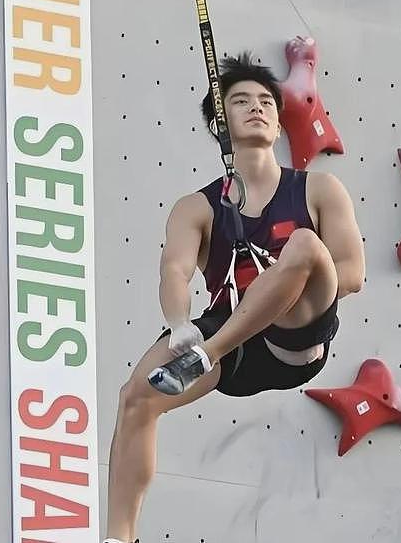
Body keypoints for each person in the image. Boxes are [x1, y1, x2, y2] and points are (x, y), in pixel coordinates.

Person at [103, 52, 366, 543]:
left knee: (306, 245)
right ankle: (120, 537)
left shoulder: (319, 190)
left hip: (297, 332)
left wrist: (283, 276)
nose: (258, 108)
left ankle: (209, 352)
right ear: (219, 123)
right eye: (241, 101)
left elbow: (351, 275)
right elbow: (175, 270)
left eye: (267, 100)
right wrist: (179, 322)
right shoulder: (197, 207)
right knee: (135, 397)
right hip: (230, 336)